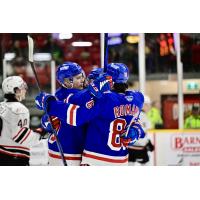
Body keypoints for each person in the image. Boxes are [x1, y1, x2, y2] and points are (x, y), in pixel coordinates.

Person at [35, 63, 145, 166]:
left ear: (108, 81)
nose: (87, 82)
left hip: (94, 158)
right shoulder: (136, 99)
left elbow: (77, 116)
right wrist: (136, 131)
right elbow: (135, 121)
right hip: (121, 159)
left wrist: (49, 104)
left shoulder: (102, 99)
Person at [0, 76, 47, 166]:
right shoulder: (19, 109)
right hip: (13, 157)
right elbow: (21, 137)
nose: (25, 90)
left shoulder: (1, 106)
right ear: (16, 90)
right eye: (22, 87)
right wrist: (42, 132)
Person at [128, 95, 155, 166]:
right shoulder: (143, 116)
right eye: (148, 105)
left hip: (129, 147)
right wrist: (147, 142)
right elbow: (143, 132)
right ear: (144, 104)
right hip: (139, 148)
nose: (149, 107)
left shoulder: (131, 114)